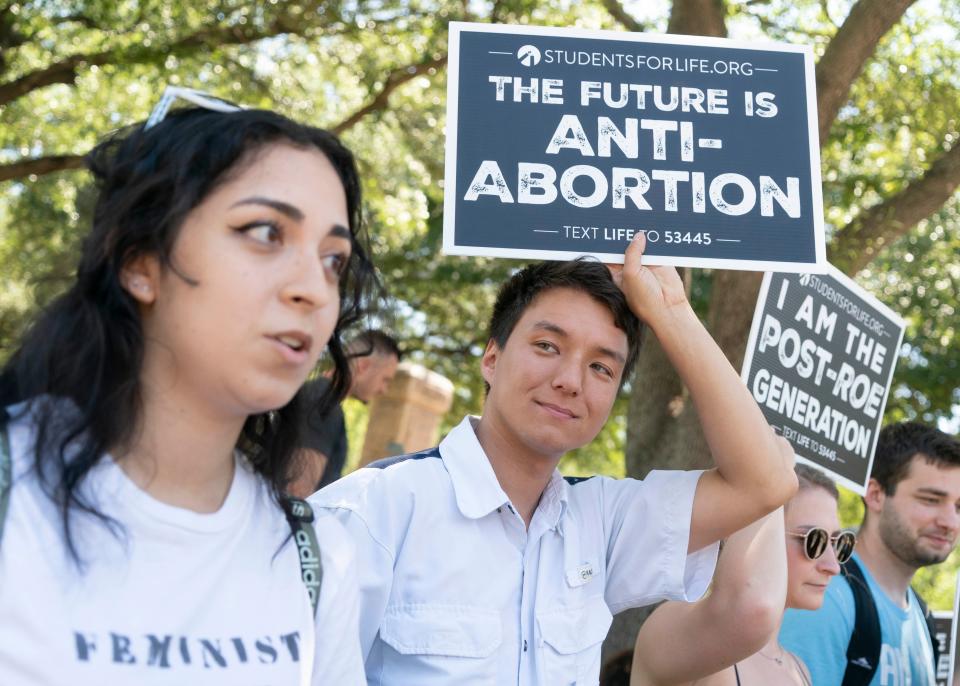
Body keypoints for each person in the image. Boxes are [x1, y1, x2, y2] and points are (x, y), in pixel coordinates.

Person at [0, 87, 376, 684]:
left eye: (334, 260)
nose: (313, 287)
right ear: (139, 263)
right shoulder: (14, 493)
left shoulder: (317, 558)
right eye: (264, 232)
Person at [312, 236, 798, 684]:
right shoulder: (370, 514)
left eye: (601, 367)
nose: (571, 380)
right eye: (547, 346)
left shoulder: (603, 524)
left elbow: (764, 484)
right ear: (492, 358)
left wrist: (670, 310)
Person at [629, 464, 854, 686]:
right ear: (746, 527)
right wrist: (770, 470)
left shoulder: (799, 670)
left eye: (838, 543)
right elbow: (752, 606)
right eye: (813, 540)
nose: (832, 566)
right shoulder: (672, 631)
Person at [780, 422, 960, 686]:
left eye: (958, 507)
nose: (950, 522)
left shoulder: (920, 616)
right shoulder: (824, 596)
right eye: (930, 500)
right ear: (875, 495)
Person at [289, 330, 401, 496]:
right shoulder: (323, 403)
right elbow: (296, 493)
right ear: (363, 367)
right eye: (385, 379)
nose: (384, 390)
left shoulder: (321, 398)